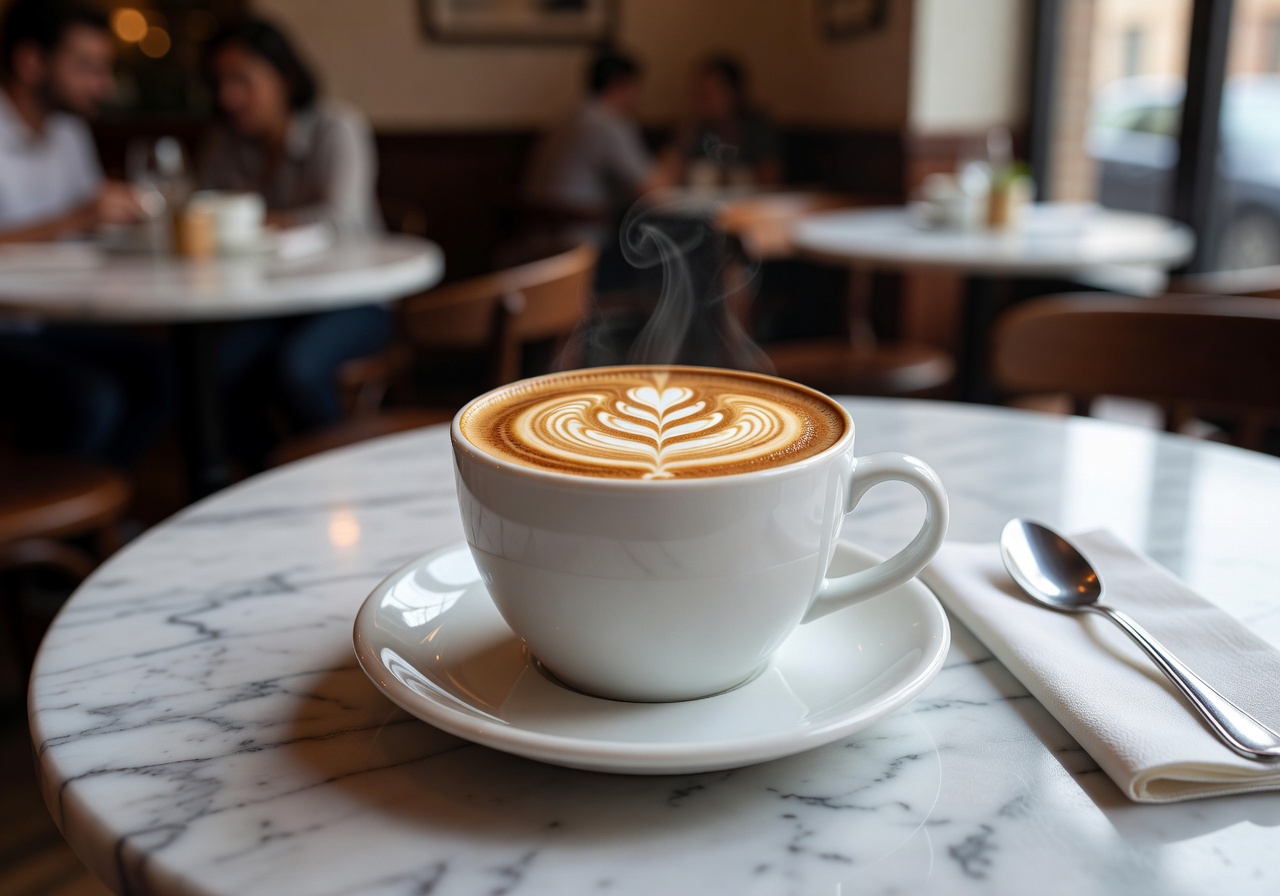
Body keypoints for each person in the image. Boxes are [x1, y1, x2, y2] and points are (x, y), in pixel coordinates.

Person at [199, 17, 385, 464]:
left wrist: (245, 224)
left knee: (297, 368)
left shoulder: (336, 128)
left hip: (356, 296)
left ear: (283, 76)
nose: (229, 97)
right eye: (219, 83)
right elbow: (201, 214)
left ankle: (347, 482)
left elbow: (341, 223)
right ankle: (269, 474)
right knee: (212, 372)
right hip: (272, 304)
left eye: (242, 80)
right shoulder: (227, 143)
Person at [0, 0, 171, 467]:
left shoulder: (70, 133)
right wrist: (75, 218)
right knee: (94, 398)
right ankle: (50, 522)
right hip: (8, 328)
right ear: (31, 62)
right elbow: (79, 219)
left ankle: (98, 511)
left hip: (60, 318)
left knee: (167, 372)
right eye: (86, 67)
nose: (103, 84)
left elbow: (93, 227)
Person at [525, 51, 673, 244]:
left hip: (537, 239)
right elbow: (654, 193)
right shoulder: (608, 123)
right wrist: (678, 148)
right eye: (636, 87)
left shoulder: (569, 117)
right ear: (620, 84)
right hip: (582, 243)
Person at [676, 56, 781, 188]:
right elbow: (670, 179)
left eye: (707, 95)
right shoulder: (697, 128)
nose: (701, 102)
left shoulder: (757, 125)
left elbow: (770, 176)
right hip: (702, 205)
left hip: (746, 205)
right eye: (698, 95)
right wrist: (686, 133)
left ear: (733, 93)